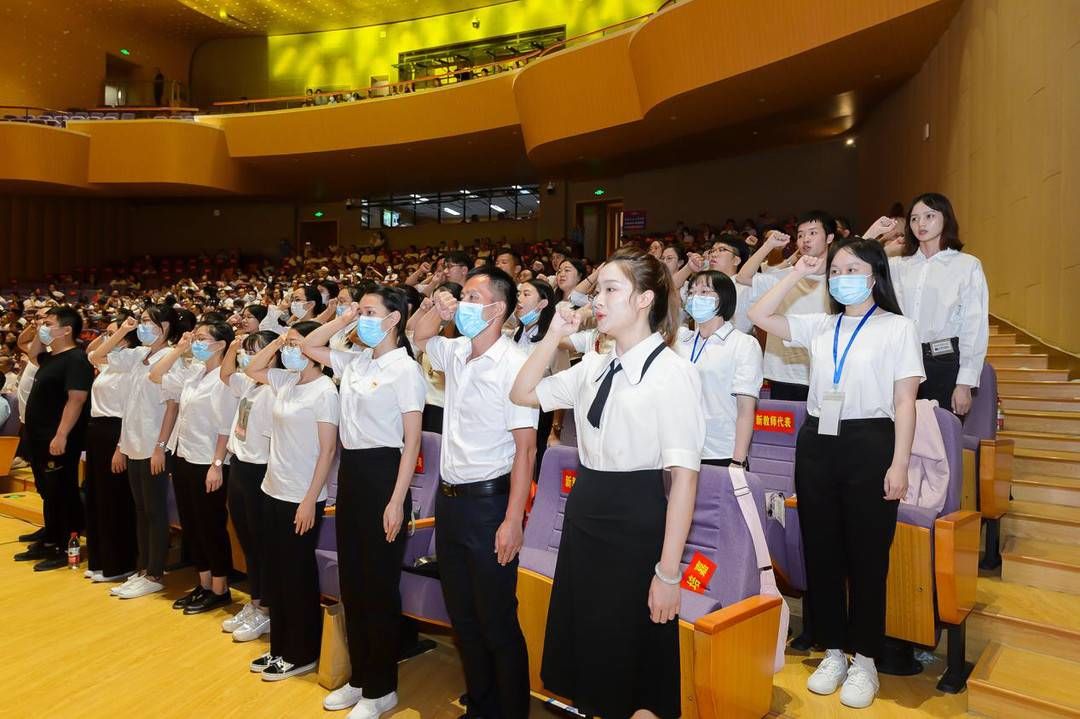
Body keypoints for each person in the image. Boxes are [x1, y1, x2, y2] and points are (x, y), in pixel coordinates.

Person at [509, 247, 704, 719]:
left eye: (612, 290)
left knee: (633, 653)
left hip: (635, 514)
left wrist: (668, 572)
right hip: (588, 504)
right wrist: (553, 335)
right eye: (598, 290)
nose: (598, 299)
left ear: (644, 300)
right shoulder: (595, 365)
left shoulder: (674, 373)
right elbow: (522, 392)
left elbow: (683, 481)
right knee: (592, 644)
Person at [748, 239, 923, 709]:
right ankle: (833, 651)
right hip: (818, 441)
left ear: (874, 275)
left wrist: (900, 462)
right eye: (836, 269)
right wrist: (794, 273)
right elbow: (760, 315)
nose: (841, 275)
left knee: (867, 556)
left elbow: (905, 401)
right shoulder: (820, 325)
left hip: (872, 441)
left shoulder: (897, 327)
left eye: (852, 267)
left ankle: (865, 659)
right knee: (821, 551)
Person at [412, 266, 537, 719]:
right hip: (450, 501)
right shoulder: (457, 350)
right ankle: (480, 707)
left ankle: (510, 711)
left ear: (498, 308)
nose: (462, 303)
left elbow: (526, 451)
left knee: (497, 619)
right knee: (463, 616)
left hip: (489, 504)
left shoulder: (516, 364)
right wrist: (435, 304)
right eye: (461, 295)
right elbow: (419, 333)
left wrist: (512, 519)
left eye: (471, 296)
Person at [302, 288, 425, 719]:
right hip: (351, 474)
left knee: (378, 586)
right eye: (362, 311)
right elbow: (307, 345)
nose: (364, 318)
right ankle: (359, 677)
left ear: (394, 320)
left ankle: (381, 687)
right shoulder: (355, 361)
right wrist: (342, 317)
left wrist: (396, 501)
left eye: (371, 312)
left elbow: (412, 444)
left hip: (385, 476)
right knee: (352, 584)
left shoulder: (405, 369)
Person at [244, 322, 339, 681]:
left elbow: (328, 450)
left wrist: (308, 501)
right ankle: (280, 648)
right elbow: (252, 368)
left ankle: (302, 653)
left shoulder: (325, 390)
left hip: (301, 497)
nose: (290, 351)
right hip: (272, 489)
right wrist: (280, 341)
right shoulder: (285, 381)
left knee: (297, 576)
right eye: (289, 345)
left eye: (299, 345)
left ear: (316, 350)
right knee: (277, 574)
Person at [864, 193, 988, 415]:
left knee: (939, 441)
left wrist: (964, 384)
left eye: (929, 216)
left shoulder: (967, 266)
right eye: (914, 218)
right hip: (901, 361)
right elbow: (854, 262)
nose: (920, 223)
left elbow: (974, 328)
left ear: (946, 219)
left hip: (945, 362)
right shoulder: (898, 266)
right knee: (896, 437)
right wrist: (874, 236)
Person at [149, 321, 239, 615]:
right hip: (185, 456)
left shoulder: (226, 380)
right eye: (195, 338)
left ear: (221, 345)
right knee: (192, 524)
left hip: (208, 462)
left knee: (210, 525)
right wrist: (180, 348)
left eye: (202, 339)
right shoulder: (194, 374)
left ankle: (220, 588)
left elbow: (226, 427)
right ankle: (203, 584)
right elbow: (156, 374)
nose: (196, 343)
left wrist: (216, 464)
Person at [92, 306, 181, 599]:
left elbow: (172, 406)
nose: (142, 326)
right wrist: (122, 330)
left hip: (155, 446)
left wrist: (160, 448)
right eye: (141, 321)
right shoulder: (134, 356)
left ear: (165, 326)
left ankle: (155, 572)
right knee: (140, 510)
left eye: (147, 322)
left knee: (155, 512)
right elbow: (96, 356)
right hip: (132, 444)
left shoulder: (170, 359)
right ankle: (142, 569)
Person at [13, 307, 93, 571]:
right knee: (47, 490)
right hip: (39, 437)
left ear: (67, 329)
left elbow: (77, 399)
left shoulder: (77, 360)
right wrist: (40, 329)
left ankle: (65, 544)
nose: (43, 327)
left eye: (50, 324)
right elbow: (34, 353)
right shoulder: (52, 358)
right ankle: (50, 537)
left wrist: (61, 435)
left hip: (57, 439)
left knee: (62, 491)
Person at [218, 330, 278, 642]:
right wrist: (232, 346)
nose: (248, 357)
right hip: (239, 464)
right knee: (246, 541)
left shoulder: (276, 387)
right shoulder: (249, 384)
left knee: (261, 544)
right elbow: (226, 372)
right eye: (248, 351)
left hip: (261, 470)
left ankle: (266, 609)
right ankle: (256, 603)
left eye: (257, 351)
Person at [738, 212, 835, 401]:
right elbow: (743, 277)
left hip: (823, 371)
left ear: (829, 237)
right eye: (800, 235)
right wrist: (768, 245)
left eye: (813, 233)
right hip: (782, 373)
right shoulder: (787, 275)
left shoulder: (838, 277)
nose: (805, 239)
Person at [678, 271, 762, 466]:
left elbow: (745, 410)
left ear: (723, 298)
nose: (695, 297)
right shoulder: (682, 341)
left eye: (704, 291)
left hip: (721, 451)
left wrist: (738, 460)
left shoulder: (743, 344)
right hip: (682, 449)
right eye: (691, 292)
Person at [83, 312, 139, 583]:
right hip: (97, 432)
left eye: (114, 333)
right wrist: (111, 334)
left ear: (126, 339)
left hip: (117, 433)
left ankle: (120, 564)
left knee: (114, 501)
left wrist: (121, 447)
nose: (107, 336)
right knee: (96, 497)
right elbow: (93, 353)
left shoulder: (131, 366)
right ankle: (99, 561)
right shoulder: (108, 365)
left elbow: (129, 410)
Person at [510, 279, 558, 472]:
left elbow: (560, 381)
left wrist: (556, 429)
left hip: (540, 411)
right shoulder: (515, 334)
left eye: (526, 294)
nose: (519, 299)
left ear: (542, 303)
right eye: (519, 294)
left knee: (531, 464)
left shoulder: (554, 339)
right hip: (514, 406)